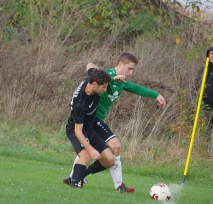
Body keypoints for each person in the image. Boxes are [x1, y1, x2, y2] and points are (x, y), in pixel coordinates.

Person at [63, 52, 166, 192]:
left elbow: (136, 88)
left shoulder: (121, 82)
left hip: (97, 121)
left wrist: (156, 95)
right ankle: (118, 185)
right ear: (120, 64)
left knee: (111, 150)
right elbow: (90, 66)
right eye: (129, 68)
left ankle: (76, 177)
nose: (131, 72)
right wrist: (111, 78)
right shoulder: (105, 77)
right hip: (92, 120)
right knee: (104, 148)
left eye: (133, 70)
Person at [66, 67, 115, 188]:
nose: (105, 90)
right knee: (86, 156)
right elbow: (78, 130)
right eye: (103, 87)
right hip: (76, 130)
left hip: (90, 127)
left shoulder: (92, 78)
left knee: (109, 159)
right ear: (94, 84)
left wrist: (114, 78)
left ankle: (80, 175)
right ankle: (74, 186)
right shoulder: (80, 104)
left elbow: (90, 65)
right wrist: (91, 149)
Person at [193, 46, 213, 153]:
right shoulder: (203, 69)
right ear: (208, 55)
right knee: (205, 129)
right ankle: (202, 152)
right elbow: (195, 84)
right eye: (211, 53)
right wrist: (195, 93)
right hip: (205, 105)